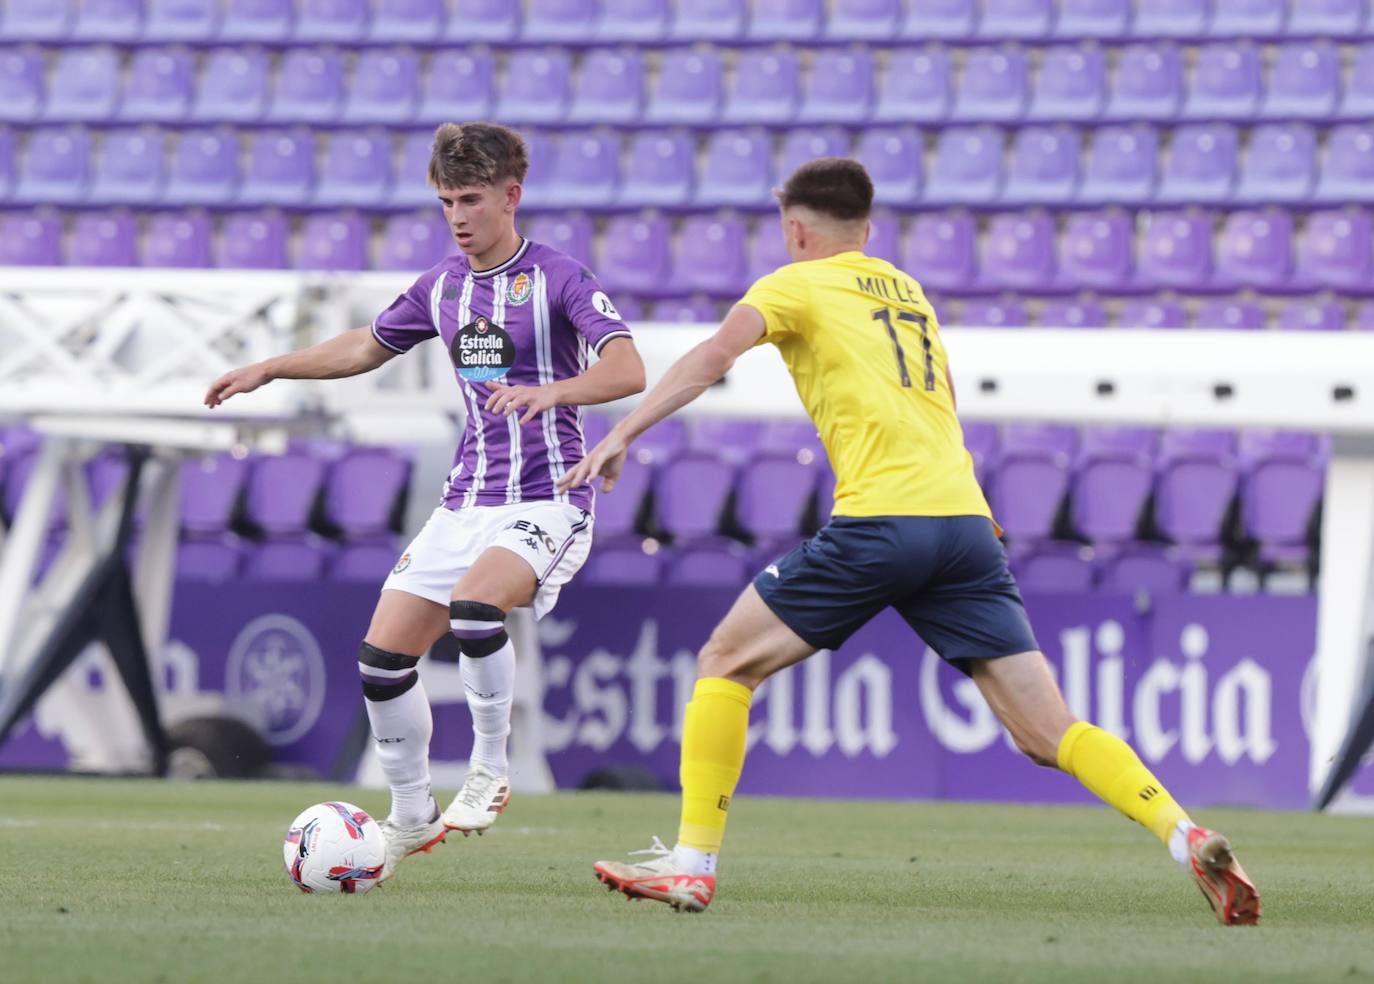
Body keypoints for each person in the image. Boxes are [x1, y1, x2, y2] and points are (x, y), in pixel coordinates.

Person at [559, 158, 1260, 926]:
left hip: (883, 520)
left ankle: (691, 866)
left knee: (725, 661)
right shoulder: (908, 292)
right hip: (964, 524)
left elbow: (712, 358)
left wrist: (623, 429)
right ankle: (1181, 832)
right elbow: (944, 405)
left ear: (796, 229)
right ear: (868, 227)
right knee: (1046, 731)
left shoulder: (791, 284)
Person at [205, 122, 645, 881]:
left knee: (477, 609)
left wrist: (553, 392)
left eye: (471, 198)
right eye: (446, 201)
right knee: (381, 660)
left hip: (548, 496)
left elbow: (629, 369)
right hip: (464, 500)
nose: (458, 216)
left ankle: (488, 770)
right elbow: (364, 346)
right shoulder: (442, 285)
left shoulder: (559, 278)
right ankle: (410, 813)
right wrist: (272, 368)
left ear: (512, 195)